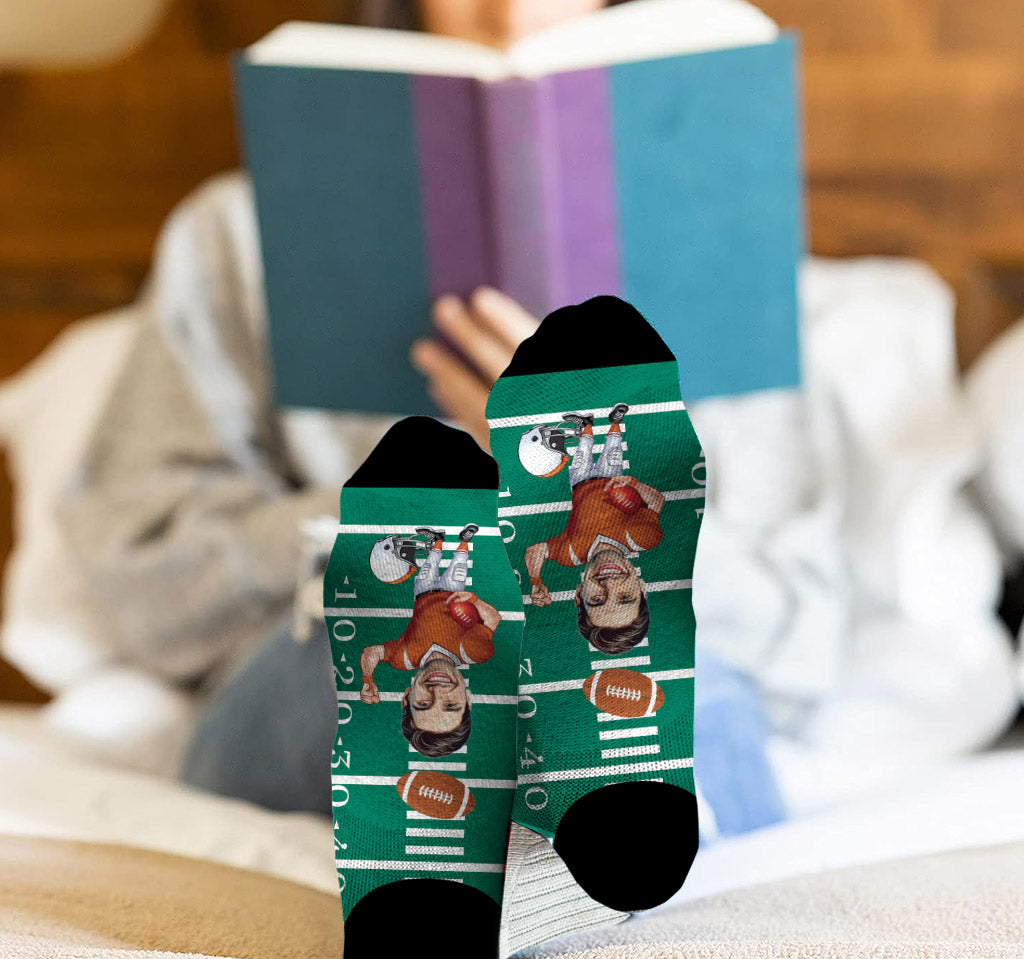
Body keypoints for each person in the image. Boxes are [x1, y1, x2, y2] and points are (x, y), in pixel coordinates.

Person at [58, 0, 627, 815]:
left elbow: (793, 616)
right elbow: (143, 580)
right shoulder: (239, 231)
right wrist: (404, 507)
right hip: (326, 658)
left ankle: (579, 820)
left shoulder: (718, 227)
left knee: (642, 652)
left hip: (652, 653)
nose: (506, 9)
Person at [523, 404, 662, 653]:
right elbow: (656, 501)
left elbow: (536, 550)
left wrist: (535, 581)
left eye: (597, 599)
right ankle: (615, 421)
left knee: (583, 451)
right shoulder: (641, 538)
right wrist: (633, 484)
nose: (609, 585)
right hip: (611, 476)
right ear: (642, 589)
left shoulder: (570, 554)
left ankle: (586, 424)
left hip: (579, 483)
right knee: (612, 448)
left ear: (579, 594)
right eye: (625, 597)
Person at [359, 525, 502, 756]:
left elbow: (371, 652)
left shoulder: (404, 657)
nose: (437, 692)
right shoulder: (474, 651)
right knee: (458, 565)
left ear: (406, 698)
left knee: (430, 563)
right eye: (451, 705)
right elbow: (493, 618)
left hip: (423, 592)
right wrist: (474, 601)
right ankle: (464, 540)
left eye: (423, 704)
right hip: (453, 591)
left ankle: (438, 540)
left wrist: (367, 680)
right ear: (468, 699)